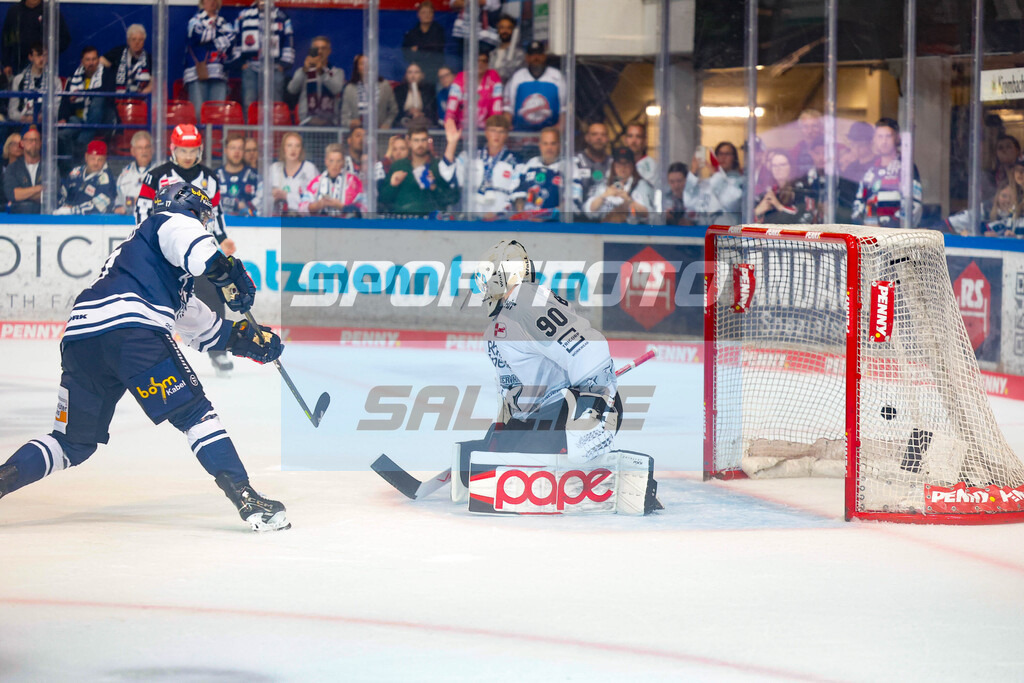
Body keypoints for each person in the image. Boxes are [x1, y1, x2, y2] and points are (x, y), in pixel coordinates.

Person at [0, 183, 290, 533]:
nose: (203, 224)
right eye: (202, 217)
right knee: (195, 414)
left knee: (72, 443)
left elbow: (206, 330)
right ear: (191, 210)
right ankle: (247, 499)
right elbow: (203, 255)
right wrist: (229, 275)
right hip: (133, 334)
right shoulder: (168, 221)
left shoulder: (150, 267)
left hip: (82, 338)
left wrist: (250, 340)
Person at [449, 239, 622, 503]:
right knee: (494, 466)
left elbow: (587, 347)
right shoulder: (503, 323)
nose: (484, 287)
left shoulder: (526, 302)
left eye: (487, 276)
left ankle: (593, 472)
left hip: (575, 411)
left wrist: (594, 409)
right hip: (543, 416)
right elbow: (514, 388)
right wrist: (502, 429)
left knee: (516, 473)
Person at [136, 124, 237, 377]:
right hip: (164, 250)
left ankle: (218, 351)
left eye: (192, 150)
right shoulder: (155, 176)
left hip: (198, 247)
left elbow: (216, 213)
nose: (188, 155)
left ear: (200, 150)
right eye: (183, 150)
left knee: (213, 293)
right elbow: (142, 209)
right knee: (159, 300)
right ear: (173, 149)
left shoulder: (210, 178)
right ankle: (155, 355)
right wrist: (146, 239)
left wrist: (222, 238)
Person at [440, 113, 519, 216]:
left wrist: (500, 215)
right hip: (472, 217)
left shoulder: (515, 161)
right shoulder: (471, 155)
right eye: (493, 130)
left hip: (501, 219)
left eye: (501, 131)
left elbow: (517, 193)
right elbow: (448, 172)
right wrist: (452, 143)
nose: (497, 135)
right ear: (486, 132)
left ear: (507, 134)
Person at [851, 118, 922, 228]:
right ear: (874, 139)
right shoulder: (870, 171)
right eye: (880, 137)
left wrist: (887, 227)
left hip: (895, 235)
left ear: (897, 138)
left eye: (888, 136)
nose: (884, 142)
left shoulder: (906, 168)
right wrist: (862, 225)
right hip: (869, 234)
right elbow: (858, 203)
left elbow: (914, 206)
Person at [378, 123, 457, 215]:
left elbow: (452, 199)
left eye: (423, 140)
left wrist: (434, 187)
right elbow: (383, 199)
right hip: (403, 219)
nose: (420, 144)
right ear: (409, 142)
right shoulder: (398, 166)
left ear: (428, 141)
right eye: (416, 140)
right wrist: (393, 185)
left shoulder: (438, 166)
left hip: (431, 220)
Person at [232, 0, 294, 112]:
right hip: (251, 66)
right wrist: (240, 63)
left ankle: (276, 124)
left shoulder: (281, 17)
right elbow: (236, 39)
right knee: (249, 102)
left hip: (274, 67)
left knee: (276, 104)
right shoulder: (244, 16)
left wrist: (284, 64)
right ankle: (250, 124)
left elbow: (288, 41)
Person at [511, 126, 580, 219]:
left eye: (553, 143)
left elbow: (573, 201)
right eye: (545, 144)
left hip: (556, 223)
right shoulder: (530, 164)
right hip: (529, 222)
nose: (549, 148)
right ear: (540, 145)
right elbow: (518, 192)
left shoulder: (569, 167)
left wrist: (546, 216)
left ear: (560, 145)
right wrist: (523, 214)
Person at [185, 0, 236, 123]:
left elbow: (231, 39)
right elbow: (199, 36)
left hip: (219, 74)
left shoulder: (223, 22)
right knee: (199, 113)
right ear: (202, 2)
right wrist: (218, 38)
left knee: (217, 113)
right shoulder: (195, 20)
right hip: (197, 73)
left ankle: (215, 136)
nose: (212, 1)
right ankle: (200, 135)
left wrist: (209, 40)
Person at [58, 46, 111, 158]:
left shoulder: (106, 74)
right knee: (62, 134)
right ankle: (68, 161)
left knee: (98, 99)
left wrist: (81, 94)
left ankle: (80, 146)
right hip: (77, 119)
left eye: (94, 59)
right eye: (88, 60)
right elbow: (65, 99)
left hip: (100, 120)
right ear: (82, 61)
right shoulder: (74, 76)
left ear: (98, 60)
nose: (91, 63)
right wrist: (63, 117)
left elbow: (106, 94)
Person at [504, 41, 566, 132]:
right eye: (532, 55)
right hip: (521, 134)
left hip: (550, 134)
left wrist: (557, 130)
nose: (536, 58)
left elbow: (564, 109)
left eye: (539, 54)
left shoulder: (557, 76)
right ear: (527, 58)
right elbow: (508, 109)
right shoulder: (517, 77)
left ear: (544, 56)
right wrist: (508, 130)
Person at [1, 0, 70, 79]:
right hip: (19, 65)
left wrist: (47, 53)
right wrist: (6, 63)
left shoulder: (50, 11)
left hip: (44, 66)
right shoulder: (14, 11)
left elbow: (65, 38)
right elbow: (6, 39)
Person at [583, 147, 654, 223]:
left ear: (632, 166)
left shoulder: (642, 186)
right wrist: (604, 196)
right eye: (619, 164)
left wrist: (628, 200)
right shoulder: (604, 185)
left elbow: (650, 215)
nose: (623, 168)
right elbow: (589, 211)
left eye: (626, 164)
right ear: (613, 166)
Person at [288, 36, 344, 126]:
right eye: (316, 48)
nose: (320, 51)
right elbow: (292, 89)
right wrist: (304, 70)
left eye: (323, 48)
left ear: (329, 51)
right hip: (307, 121)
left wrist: (322, 72)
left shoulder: (336, 72)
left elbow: (336, 89)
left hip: (330, 123)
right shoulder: (303, 71)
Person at [684, 141, 744, 225]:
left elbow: (731, 203)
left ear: (734, 158)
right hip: (703, 230)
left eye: (727, 154)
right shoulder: (707, 182)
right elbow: (689, 202)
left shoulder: (740, 181)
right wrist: (693, 173)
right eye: (720, 154)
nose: (723, 157)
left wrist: (716, 176)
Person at [752, 150, 817, 224]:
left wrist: (778, 206)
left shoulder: (801, 189)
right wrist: (758, 211)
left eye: (782, 165)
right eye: (774, 165)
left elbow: (804, 219)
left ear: (791, 167)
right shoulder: (770, 191)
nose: (778, 168)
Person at [445, 52, 503, 132]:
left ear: (488, 64)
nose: (480, 64)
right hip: (462, 130)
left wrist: (494, 128)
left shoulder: (493, 76)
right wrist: (450, 122)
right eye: (477, 61)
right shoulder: (461, 77)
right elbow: (452, 104)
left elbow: (497, 105)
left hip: (486, 130)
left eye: (484, 61)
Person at [54, 140, 115, 215]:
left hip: (92, 221)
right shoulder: (76, 172)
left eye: (100, 159)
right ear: (86, 157)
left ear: (105, 159)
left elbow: (98, 207)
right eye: (93, 158)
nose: (96, 163)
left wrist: (72, 210)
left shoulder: (107, 179)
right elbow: (61, 194)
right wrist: (63, 207)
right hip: (67, 218)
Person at [340, 54, 398, 129]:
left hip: (380, 131)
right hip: (358, 132)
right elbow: (344, 116)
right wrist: (350, 123)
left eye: (368, 63)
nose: (366, 66)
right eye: (362, 64)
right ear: (357, 68)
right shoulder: (350, 88)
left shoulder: (384, 86)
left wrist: (387, 123)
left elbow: (393, 110)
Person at [305, 143, 364, 217]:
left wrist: (341, 207)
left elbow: (363, 209)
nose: (334, 165)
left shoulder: (354, 182)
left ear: (343, 162)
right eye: (331, 161)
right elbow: (302, 208)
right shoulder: (316, 182)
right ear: (326, 161)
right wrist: (318, 205)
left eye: (338, 161)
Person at [946, 181, 1023, 237]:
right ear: (997, 196)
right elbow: (952, 223)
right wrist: (965, 233)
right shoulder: (984, 209)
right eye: (1004, 196)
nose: (1008, 200)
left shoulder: (1019, 217)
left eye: (1011, 197)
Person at [269, 131, 318, 215]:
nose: (293, 149)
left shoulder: (309, 169)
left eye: (297, 146)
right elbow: (262, 197)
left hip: (302, 219)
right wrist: (273, 197)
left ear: (301, 149)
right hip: (277, 218)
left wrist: (287, 196)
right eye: (289, 145)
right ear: (283, 149)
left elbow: (314, 200)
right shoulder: (274, 168)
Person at [401, 1, 446, 87]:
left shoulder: (438, 31)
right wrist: (426, 48)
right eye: (424, 12)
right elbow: (406, 55)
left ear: (433, 14)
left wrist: (418, 49)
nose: (427, 15)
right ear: (418, 14)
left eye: (430, 12)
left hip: (434, 71)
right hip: (417, 71)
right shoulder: (412, 33)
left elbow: (436, 52)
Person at [217, 132, 262, 217]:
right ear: (225, 150)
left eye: (240, 148)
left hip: (248, 224)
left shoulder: (256, 177)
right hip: (221, 223)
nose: (236, 152)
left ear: (244, 151)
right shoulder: (214, 176)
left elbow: (261, 208)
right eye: (233, 148)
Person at [100, 24, 152, 95]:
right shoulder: (118, 52)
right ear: (128, 41)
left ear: (144, 42)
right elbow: (101, 61)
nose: (137, 43)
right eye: (133, 39)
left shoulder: (149, 59)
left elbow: (154, 82)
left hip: (140, 98)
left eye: (140, 40)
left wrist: (141, 94)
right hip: (117, 97)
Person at [4, 125, 42, 213]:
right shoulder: (12, 168)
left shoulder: (50, 167)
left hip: (44, 216)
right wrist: (40, 188)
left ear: (41, 143)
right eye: (30, 140)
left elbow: (51, 195)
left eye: (36, 140)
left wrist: (23, 194)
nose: (33, 143)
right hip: (18, 217)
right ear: (22, 143)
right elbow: (13, 195)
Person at [114, 131, 154, 216]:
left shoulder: (160, 172)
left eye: (147, 147)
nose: (144, 151)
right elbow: (119, 204)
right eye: (140, 148)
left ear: (152, 149)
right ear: (133, 151)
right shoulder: (125, 174)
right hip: (129, 219)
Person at [8, 43, 48, 123]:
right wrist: (24, 118)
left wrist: (40, 118)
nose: (42, 59)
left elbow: (55, 110)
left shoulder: (54, 81)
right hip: (21, 124)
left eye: (45, 55)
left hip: (44, 125)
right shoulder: (18, 79)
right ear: (30, 57)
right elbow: (12, 111)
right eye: (38, 55)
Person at [573, 121, 612, 204]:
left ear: (607, 139)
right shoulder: (575, 161)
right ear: (587, 138)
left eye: (603, 135)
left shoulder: (613, 163)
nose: (599, 138)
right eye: (594, 134)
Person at [394, 62, 437, 128]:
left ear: (422, 75)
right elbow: (395, 111)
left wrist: (421, 113)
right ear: (406, 75)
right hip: (403, 123)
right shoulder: (399, 91)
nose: (413, 75)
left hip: (424, 123)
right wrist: (408, 112)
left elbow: (432, 110)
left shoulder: (429, 90)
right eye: (410, 72)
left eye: (416, 72)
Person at [789, 109, 824, 178]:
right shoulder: (794, 152)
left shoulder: (833, 149)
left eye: (814, 126)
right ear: (800, 129)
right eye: (805, 127)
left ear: (821, 128)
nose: (810, 131)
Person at [491, 14, 524, 82]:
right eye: (502, 28)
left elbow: (511, 75)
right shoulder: (492, 53)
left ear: (513, 31)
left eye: (508, 28)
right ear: (498, 30)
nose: (505, 31)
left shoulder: (519, 54)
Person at [375, 134, 410, 199]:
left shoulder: (413, 166)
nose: (398, 152)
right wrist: (388, 153)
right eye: (394, 149)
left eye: (402, 149)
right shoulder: (387, 168)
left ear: (409, 150)